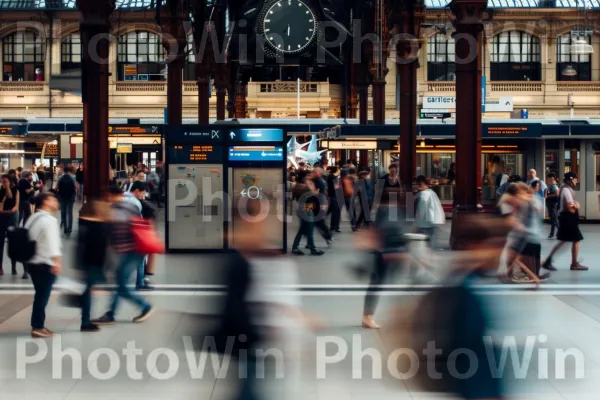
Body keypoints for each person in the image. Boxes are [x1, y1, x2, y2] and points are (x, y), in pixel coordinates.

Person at [92, 181, 154, 325]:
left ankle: (145, 306)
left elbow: (115, 232)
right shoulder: (128, 206)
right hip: (131, 251)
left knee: (122, 286)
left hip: (131, 252)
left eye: (108, 196)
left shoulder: (119, 210)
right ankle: (110, 314)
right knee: (120, 283)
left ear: (114, 196)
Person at [25, 193, 62, 338]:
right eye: (53, 199)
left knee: (40, 295)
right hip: (45, 263)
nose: (56, 202)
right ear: (46, 202)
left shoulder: (32, 218)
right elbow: (53, 243)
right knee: (42, 296)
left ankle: (38, 325)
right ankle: (38, 326)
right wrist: (57, 261)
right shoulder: (49, 220)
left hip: (32, 263)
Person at [542, 172, 587, 271]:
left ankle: (548, 261)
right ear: (571, 180)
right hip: (568, 218)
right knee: (576, 240)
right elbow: (570, 206)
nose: (576, 181)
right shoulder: (566, 189)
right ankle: (574, 264)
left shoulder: (564, 187)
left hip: (566, 218)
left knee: (565, 241)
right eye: (575, 179)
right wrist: (577, 205)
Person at [77, 199, 110, 332]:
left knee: (88, 292)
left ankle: (85, 320)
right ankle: (85, 322)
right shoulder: (97, 226)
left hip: (90, 263)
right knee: (88, 293)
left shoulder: (87, 224)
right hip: (93, 264)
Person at [291, 171, 324, 256]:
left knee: (304, 227)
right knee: (309, 227)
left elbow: (292, 197)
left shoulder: (298, 185)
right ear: (305, 176)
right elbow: (314, 193)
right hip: (306, 207)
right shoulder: (305, 185)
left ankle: (299, 246)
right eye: (310, 174)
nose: (312, 175)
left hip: (304, 206)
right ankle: (312, 248)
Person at [414, 175, 445, 248]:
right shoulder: (431, 192)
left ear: (421, 183)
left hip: (423, 224)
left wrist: (416, 224)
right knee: (430, 244)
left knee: (423, 245)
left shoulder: (423, 194)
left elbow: (421, 211)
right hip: (432, 222)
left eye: (418, 184)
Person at [0, 174, 22, 277]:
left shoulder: (16, 191)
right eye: (2, 182)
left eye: (5, 181)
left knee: (13, 243)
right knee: (0, 244)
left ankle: (13, 266)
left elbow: (15, 207)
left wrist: (5, 211)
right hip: (2, 219)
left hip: (12, 218)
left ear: (10, 182)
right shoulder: (0, 192)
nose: (3, 183)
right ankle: (0, 267)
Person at [56, 166, 77, 237]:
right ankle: (69, 229)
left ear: (63, 171)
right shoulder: (73, 177)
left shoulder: (60, 178)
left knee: (63, 212)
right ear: (69, 171)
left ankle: (65, 228)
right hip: (71, 197)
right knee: (70, 213)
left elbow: (56, 187)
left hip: (62, 197)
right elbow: (76, 187)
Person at [326, 166, 341, 233]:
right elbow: (336, 187)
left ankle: (334, 227)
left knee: (332, 210)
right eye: (338, 170)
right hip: (335, 196)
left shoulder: (330, 176)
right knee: (336, 212)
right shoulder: (333, 177)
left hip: (332, 195)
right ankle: (335, 227)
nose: (339, 171)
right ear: (336, 171)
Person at [546, 173, 560, 239]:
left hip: (553, 204)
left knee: (554, 219)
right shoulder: (552, 185)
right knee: (553, 219)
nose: (547, 179)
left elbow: (557, 194)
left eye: (549, 178)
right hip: (552, 204)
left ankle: (561, 231)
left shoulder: (553, 186)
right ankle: (552, 233)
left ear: (552, 178)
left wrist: (548, 196)